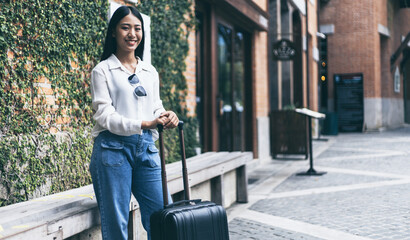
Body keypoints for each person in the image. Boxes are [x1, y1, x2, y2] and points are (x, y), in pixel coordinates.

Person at [89, 6, 178, 240]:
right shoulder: (103, 71)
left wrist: (166, 115)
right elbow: (105, 116)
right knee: (117, 224)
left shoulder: (150, 71)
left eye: (137, 28)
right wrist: (145, 123)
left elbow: (155, 106)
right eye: (125, 27)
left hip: (147, 149)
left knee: (164, 218)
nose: (132, 34)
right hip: (112, 151)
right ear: (113, 32)